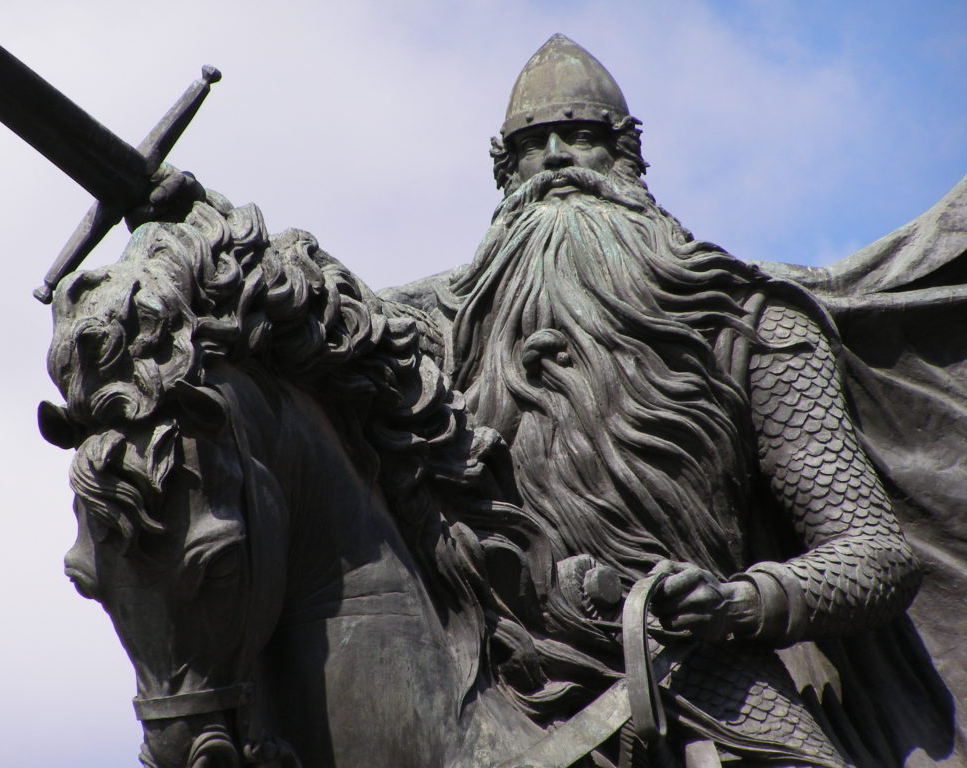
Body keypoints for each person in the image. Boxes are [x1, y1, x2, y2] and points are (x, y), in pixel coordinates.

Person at [380, 35, 923, 767]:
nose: (559, 162)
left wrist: (738, 603)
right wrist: (184, 223)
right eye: (534, 147)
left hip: (708, 677)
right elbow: (285, 311)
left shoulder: (751, 321)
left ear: (629, 158)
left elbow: (876, 555)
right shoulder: (430, 331)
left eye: (584, 139)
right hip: (494, 683)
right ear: (505, 176)